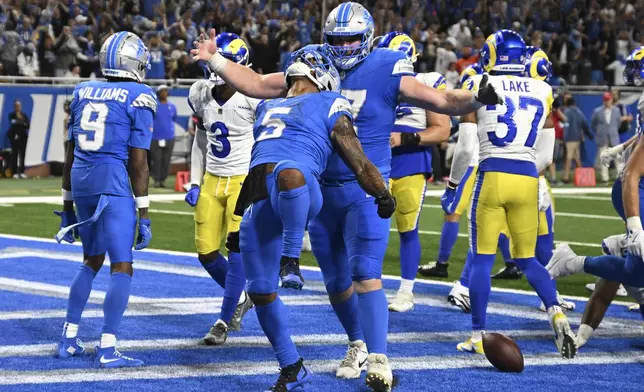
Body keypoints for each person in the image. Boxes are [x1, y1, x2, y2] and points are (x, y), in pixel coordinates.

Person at [191, 3, 503, 388]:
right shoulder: (318, 65)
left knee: (366, 273)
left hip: (365, 187)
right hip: (321, 186)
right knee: (337, 282)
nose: (342, 46)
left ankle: (380, 357)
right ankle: (356, 342)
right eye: (336, 39)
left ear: (367, 37)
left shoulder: (387, 67)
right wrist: (216, 61)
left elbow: (441, 102)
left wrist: (476, 99)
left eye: (350, 38)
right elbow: (256, 83)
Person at [230, 45, 395, 391]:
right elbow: (259, 167)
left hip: (305, 191)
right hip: (266, 194)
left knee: (291, 173)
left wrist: (381, 192)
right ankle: (291, 366)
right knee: (259, 289)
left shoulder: (330, 103)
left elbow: (357, 157)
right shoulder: (267, 107)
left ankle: (291, 258)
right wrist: (238, 219)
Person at [441, 30, 576, 359]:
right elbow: (547, 156)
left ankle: (477, 335)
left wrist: (453, 185)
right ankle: (555, 312)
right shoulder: (544, 90)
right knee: (528, 259)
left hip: (492, 175)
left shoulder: (478, 82)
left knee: (483, 261)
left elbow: (467, 144)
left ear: (491, 54)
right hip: (528, 179)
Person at [53, 31, 156, 368]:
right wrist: (144, 212)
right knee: (121, 264)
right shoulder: (139, 95)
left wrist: (67, 206)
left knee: (91, 259)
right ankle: (108, 347)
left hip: (81, 178)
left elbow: (69, 152)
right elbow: (138, 161)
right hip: (111, 178)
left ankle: (68, 338)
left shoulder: (83, 89)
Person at [547, 47, 644, 297]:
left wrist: (618, 147)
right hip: (638, 186)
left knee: (637, 273)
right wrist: (635, 228)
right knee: (636, 273)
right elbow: (633, 170)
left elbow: (640, 137)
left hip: (635, 179)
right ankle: (576, 261)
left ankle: (619, 247)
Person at [184, 33, 257, 345]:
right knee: (206, 253)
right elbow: (201, 140)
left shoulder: (254, 95)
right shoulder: (199, 93)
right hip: (213, 179)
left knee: (237, 249)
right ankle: (242, 296)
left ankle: (224, 320)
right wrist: (194, 180)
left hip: (243, 179)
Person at [376, 31, 451, 312]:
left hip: (409, 164)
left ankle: (406, 291)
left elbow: (442, 130)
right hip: (376, 164)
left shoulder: (426, 83)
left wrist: (405, 138)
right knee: (368, 229)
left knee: (407, 229)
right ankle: (367, 283)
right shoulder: (374, 83)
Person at [419, 64, 515, 282]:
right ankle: (512, 263)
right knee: (495, 217)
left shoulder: (474, 87)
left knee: (453, 212)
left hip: (474, 161)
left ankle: (443, 265)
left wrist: (452, 183)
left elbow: (466, 143)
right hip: (498, 161)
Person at [150, 84, 177, 188]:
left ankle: (163, 180)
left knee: (166, 160)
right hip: (155, 137)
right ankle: (156, 180)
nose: (164, 93)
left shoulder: (172, 106)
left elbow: (173, 118)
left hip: (169, 137)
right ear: (158, 93)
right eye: (162, 91)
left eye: (166, 91)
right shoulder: (154, 106)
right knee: (156, 160)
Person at [592, 92, 622, 184]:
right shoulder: (597, 111)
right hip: (602, 137)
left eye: (608, 100)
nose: (607, 102)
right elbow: (593, 124)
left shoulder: (616, 111)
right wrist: (600, 132)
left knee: (617, 158)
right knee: (603, 158)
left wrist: (613, 131)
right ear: (603, 100)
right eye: (605, 100)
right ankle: (605, 178)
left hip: (614, 137)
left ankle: (620, 177)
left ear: (612, 100)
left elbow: (619, 123)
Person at [561, 94, 592, 183]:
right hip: (578, 138)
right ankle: (583, 177)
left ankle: (566, 177)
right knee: (576, 157)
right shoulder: (579, 112)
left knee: (569, 157)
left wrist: (564, 137)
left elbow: (566, 126)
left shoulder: (567, 112)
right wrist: (589, 134)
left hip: (570, 138)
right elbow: (585, 124)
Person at [7, 99, 30, 179]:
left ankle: (22, 172)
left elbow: (27, 125)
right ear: (14, 106)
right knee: (15, 154)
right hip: (14, 137)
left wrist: (19, 122)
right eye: (16, 105)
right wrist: (22, 123)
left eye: (19, 105)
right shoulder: (11, 115)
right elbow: (13, 123)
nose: (18, 107)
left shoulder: (24, 115)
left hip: (23, 137)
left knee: (22, 154)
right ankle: (15, 172)